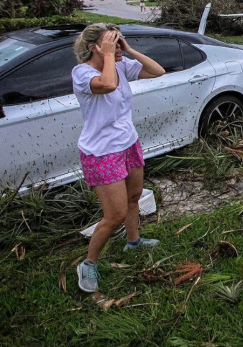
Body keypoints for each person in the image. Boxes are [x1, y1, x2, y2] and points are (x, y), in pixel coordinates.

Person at [72, 24, 165, 293]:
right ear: (94, 48)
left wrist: (128, 49)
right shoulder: (82, 73)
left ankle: (133, 241)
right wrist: (111, 56)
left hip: (128, 143)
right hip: (102, 152)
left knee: (134, 197)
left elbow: (157, 71)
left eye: (117, 40)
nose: (116, 44)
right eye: (111, 41)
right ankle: (88, 264)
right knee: (114, 215)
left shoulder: (121, 65)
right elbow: (108, 84)